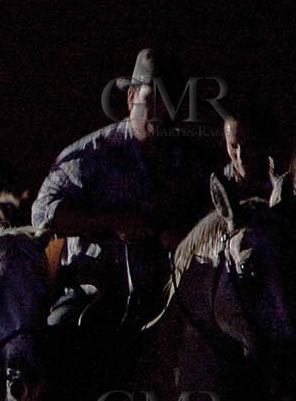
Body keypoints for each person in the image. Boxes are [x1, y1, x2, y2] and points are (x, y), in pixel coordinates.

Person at [31, 48, 211, 332]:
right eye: (152, 101)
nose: (161, 113)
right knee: (57, 335)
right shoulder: (91, 156)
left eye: (170, 103)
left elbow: (215, 217)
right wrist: (111, 222)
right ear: (131, 98)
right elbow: (42, 214)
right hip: (95, 299)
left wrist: (186, 240)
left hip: (173, 296)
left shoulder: (191, 161)